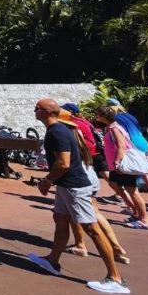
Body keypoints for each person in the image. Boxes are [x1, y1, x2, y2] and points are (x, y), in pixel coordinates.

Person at [28, 98, 129, 294]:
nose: (35, 111)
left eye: (37, 108)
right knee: (61, 220)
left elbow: (64, 163)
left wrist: (46, 181)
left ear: (46, 112)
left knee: (92, 228)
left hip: (74, 186)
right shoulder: (57, 130)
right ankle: (52, 261)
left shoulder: (57, 132)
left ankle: (115, 278)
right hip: (65, 186)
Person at [58, 109, 130, 265]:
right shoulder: (79, 129)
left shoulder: (64, 135)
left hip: (78, 176)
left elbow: (64, 161)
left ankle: (84, 246)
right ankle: (114, 246)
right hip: (88, 171)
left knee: (84, 218)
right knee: (92, 213)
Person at [94, 105, 148, 229]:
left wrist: (117, 162)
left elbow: (122, 146)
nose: (96, 116)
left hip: (120, 164)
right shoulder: (111, 127)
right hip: (116, 165)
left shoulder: (115, 128)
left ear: (104, 116)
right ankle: (136, 213)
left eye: (98, 114)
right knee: (115, 184)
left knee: (133, 192)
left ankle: (144, 219)